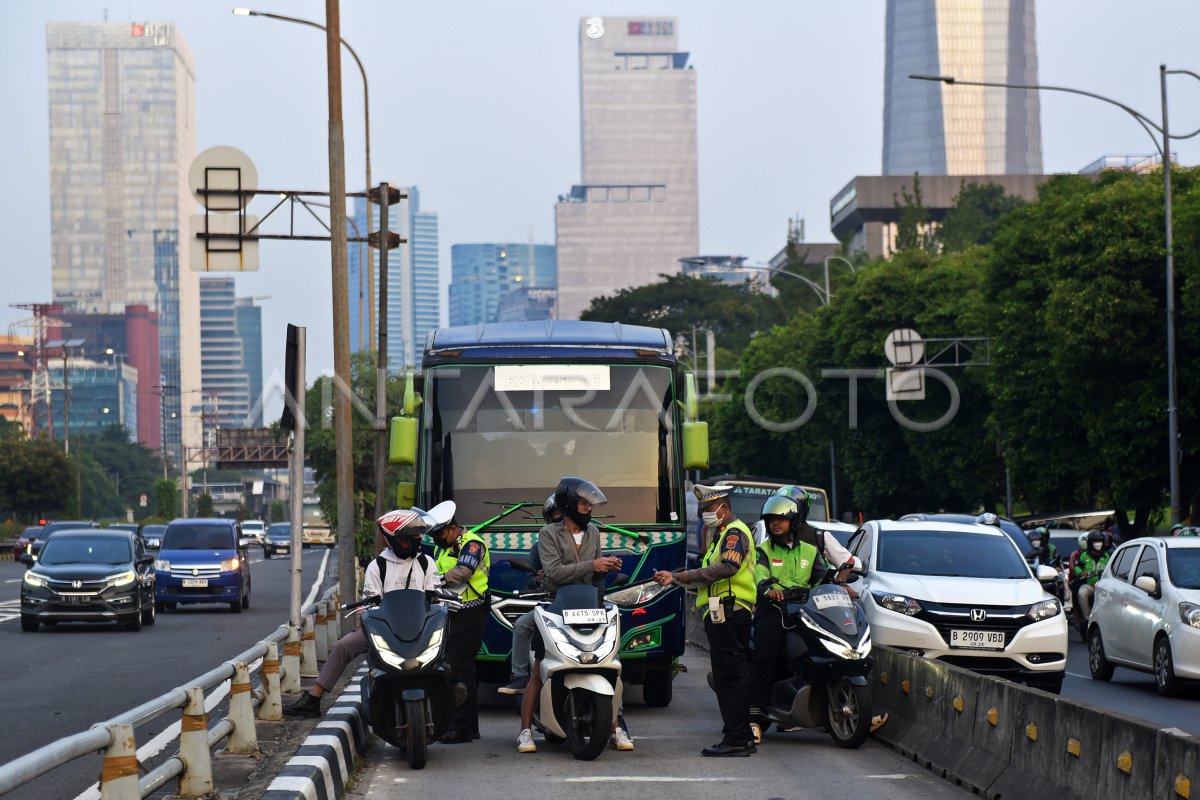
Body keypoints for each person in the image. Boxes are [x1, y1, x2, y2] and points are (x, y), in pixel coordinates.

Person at [284, 506, 445, 718]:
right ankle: (313, 697)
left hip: (420, 627)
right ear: (397, 539)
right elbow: (369, 604)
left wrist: (437, 598)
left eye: (417, 535)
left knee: (447, 644)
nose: (417, 539)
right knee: (344, 645)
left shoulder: (426, 563)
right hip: (385, 628)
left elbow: (437, 597)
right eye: (412, 536)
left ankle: (449, 692)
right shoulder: (377, 566)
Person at [517, 478, 629, 753]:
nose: (588, 508)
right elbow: (554, 572)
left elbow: (595, 575)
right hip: (557, 606)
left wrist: (607, 567)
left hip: (590, 606)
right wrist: (593, 564)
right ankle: (525, 732)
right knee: (538, 670)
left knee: (609, 665)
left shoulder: (593, 534)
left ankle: (616, 728)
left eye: (590, 503)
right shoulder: (548, 535)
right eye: (583, 503)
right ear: (568, 505)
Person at [653, 484, 758, 757]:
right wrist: (675, 577)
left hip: (731, 611)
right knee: (729, 675)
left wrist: (686, 576)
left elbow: (726, 568)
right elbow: (707, 574)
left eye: (709, 509)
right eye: (703, 511)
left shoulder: (734, 533)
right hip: (723, 612)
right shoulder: (721, 535)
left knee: (729, 677)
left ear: (723, 507)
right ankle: (741, 735)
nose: (705, 515)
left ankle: (737, 739)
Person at [747, 491, 825, 744]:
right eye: (771, 520)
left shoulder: (811, 551)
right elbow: (759, 575)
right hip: (774, 611)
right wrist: (771, 589)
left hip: (805, 611)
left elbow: (824, 577)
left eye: (781, 519)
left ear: (795, 521)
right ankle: (754, 719)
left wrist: (842, 584)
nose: (775, 523)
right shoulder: (763, 551)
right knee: (765, 658)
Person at [431, 505, 490, 744]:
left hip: (470, 612)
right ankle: (468, 726)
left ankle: (462, 728)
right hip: (451, 612)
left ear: (453, 528)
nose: (437, 540)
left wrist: (436, 581)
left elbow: (464, 572)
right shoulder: (442, 547)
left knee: (459, 668)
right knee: (455, 667)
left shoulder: (472, 544)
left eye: (440, 534)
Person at [499, 495, 561, 696]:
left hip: (582, 604)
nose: (560, 522)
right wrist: (538, 579)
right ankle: (519, 677)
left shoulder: (586, 539)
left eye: (564, 517)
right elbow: (529, 579)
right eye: (556, 517)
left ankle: (617, 715)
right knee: (522, 624)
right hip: (553, 603)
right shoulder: (540, 546)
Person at [772, 485, 861, 571]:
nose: (781, 514)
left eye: (788, 510)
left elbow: (850, 563)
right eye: (779, 508)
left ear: (802, 511)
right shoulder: (769, 541)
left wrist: (839, 582)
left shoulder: (820, 537)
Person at [1072, 530, 1112, 621]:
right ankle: (1087, 617)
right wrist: (1081, 573)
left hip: (1105, 586)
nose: (1098, 544)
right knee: (1082, 593)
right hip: (1090, 585)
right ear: (1090, 543)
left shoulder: (1107, 555)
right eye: (1095, 541)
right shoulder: (1083, 556)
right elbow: (1077, 566)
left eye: (1100, 541)